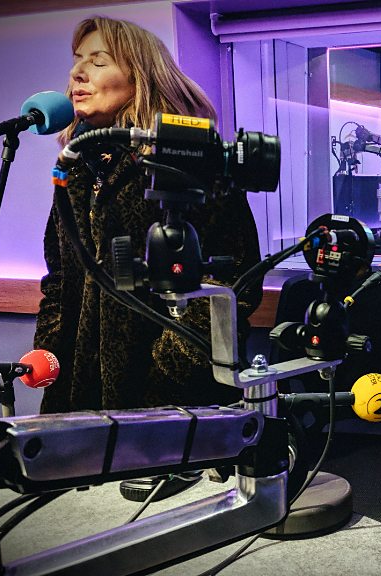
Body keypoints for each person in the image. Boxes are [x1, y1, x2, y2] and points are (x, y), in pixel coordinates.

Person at [34, 18, 261, 417]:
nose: (77, 73)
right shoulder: (77, 169)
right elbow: (59, 277)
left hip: (166, 401)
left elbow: (232, 280)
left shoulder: (187, 163)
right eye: (77, 60)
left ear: (140, 76)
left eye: (98, 61)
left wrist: (168, 368)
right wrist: (50, 351)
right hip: (76, 393)